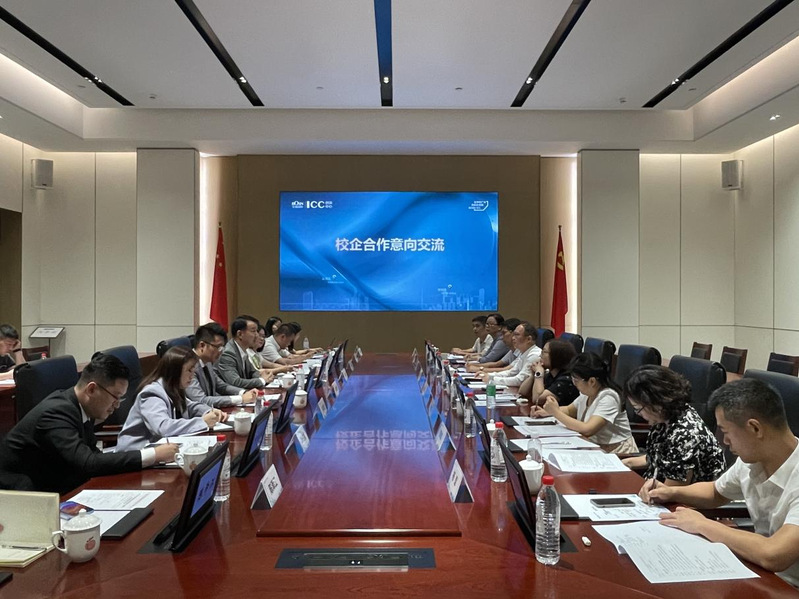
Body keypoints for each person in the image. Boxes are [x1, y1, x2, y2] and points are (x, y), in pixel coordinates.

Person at [645, 379, 799, 588]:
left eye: (725, 432)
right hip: (763, 575)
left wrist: (703, 525)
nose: (725, 442)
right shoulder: (752, 460)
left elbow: (774, 554)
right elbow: (715, 492)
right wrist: (671, 492)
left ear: (755, 428)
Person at [0, 353, 178, 494]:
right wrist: (153, 455)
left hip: (58, 482)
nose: (117, 405)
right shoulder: (55, 413)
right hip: (24, 495)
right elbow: (88, 463)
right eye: (115, 397)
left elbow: (93, 455)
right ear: (92, 389)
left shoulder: (83, 407)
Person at [621, 365, 725, 485]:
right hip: (655, 487)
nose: (638, 414)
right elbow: (658, 458)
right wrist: (626, 463)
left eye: (638, 408)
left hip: (678, 495)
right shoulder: (666, 418)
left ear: (656, 404)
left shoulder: (686, 435)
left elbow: (671, 491)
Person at [116, 346, 227, 451]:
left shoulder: (173, 387)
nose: (192, 376)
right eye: (189, 370)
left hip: (162, 449)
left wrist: (209, 411)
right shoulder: (152, 393)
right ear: (176, 371)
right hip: (137, 453)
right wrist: (202, 422)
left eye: (194, 371)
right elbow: (163, 427)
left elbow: (189, 406)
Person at [534, 352, 637, 454]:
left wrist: (555, 412)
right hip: (593, 447)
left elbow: (588, 429)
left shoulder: (609, 397)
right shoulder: (588, 393)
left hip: (618, 453)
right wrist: (547, 412)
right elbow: (569, 410)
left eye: (576, 380)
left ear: (592, 381)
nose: (574, 383)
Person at [186, 323, 258, 408]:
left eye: (222, 347)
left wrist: (243, 392)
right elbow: (201, 400)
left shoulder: (207, 362)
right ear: (202, 345)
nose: (221, 351)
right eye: (218, 347)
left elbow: (221, 386)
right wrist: (240, 399)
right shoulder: (187, 366)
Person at [215, 315, 277, 389]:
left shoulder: (243, 349)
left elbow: (252, 372)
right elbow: (235, 382)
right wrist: (262, 380)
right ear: (240, 334)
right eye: (253, 331)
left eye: (257, 331)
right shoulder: (228, 353)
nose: (257, 335)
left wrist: (264, 377)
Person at [519, 339, 578, 405]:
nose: (540, 355)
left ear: (556, 356)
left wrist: (539, 374)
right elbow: (522, 392)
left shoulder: (567, 379)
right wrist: (533, 375)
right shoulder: (550, 375)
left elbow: (537, 399)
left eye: (544, 352)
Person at [484, 322, 541, 387]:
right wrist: (490, 375)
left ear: (528, 339)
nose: (513, 338)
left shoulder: (534, 355)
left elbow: (520, 380)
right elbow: (511, 372)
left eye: (517, 335)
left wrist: (493, 379)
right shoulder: (523, 353)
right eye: (513, 335)